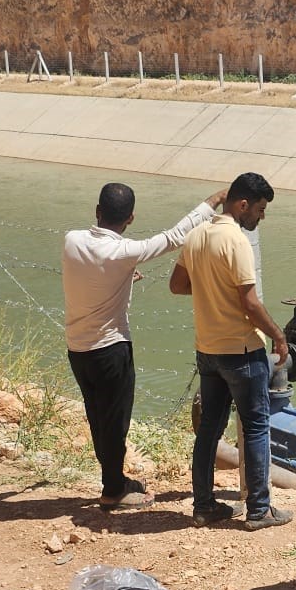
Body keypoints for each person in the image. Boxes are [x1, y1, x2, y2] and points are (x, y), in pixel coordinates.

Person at [63, 183, 220, 508]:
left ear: (97, 211)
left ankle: (114, 480)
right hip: (110, 350)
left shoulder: (71, 240)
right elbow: (176, 236)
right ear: (131, 218)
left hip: (77, 349)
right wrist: (213, 201)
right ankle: (113, 490)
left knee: (98, 416)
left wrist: (121, 278)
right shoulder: (124, 253)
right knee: (116, 421)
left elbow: (90, 274)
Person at [169, 172, 290, 531]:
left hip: (207, 349)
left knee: (209, 429)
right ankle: (259, 510)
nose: (261, 216)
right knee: (255, 427)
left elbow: (177, 285)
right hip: (242, 349)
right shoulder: (236, 240)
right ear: (242, 204)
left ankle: (205, 506)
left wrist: (210, 290)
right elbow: (249, 302)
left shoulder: (196, 236)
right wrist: (278, 336)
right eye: (260, 209)